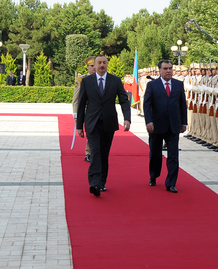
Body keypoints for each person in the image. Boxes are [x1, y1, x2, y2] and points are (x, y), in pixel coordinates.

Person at [76, 55, 132, 197]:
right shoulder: (87, 81)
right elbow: (81, 104)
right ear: (94, 65)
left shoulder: (115, 80)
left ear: (107, 64)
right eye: (99, 63)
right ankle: (94, 183)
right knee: (95, 152)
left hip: (108, 122)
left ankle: (102, 182)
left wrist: (127, 119)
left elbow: (124, 101)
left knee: (103, 153)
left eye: (104, 63)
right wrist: (79, 126)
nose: (102, 65)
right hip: (92, 123)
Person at [144, 59, 187, 193]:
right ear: (160, 70)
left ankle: (171, 183)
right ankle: (154, 175)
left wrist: (184, 122)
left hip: (173, 126)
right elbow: (147, 104)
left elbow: (182, 105)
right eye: (165, 69)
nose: (168, 71)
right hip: (156, 126)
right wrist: (149, 121)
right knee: (155, 154)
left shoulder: (178, 84)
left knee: (173, 155)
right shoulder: (152, 85)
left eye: (170, 68)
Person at [73, 57, 96, 162]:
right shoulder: (81, 80)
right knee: (90, 132)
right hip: (87, 109)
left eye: (94, 65)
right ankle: (89, 153)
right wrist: (76, 114)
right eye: (91, 66)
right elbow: (76, 99)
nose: (93, 68)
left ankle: (94, 152)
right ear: (87, 67)